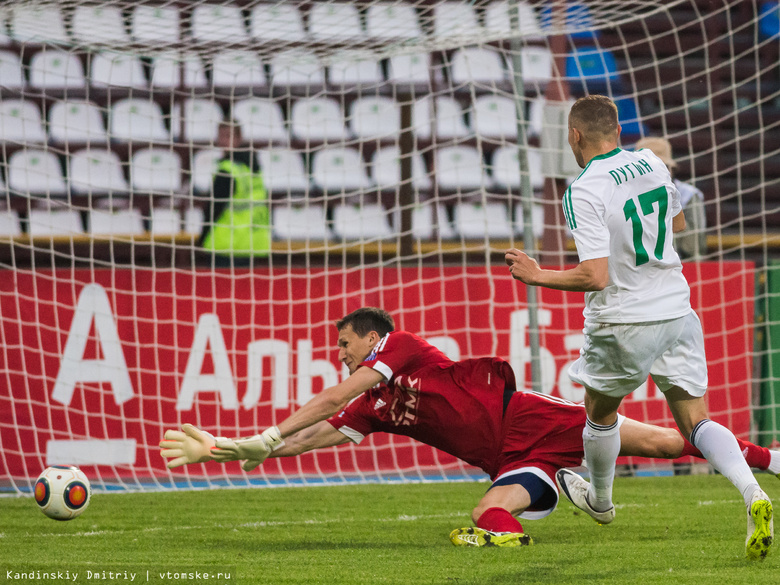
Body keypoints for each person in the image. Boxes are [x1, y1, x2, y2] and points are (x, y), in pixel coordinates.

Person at [159, 306, 780, 548]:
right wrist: (240, 449)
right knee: (488, 514)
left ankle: (771, 461)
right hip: (508, 460)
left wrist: (264, 437)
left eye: (345, 343)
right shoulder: (373, 409)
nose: (341, 353)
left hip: (527, 415)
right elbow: (320, 432)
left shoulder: (398, 347)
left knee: (668, 440)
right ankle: (524, 530)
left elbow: (334, 397)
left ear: (372, 339)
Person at [504, 95, 773, 560]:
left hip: (623, 320)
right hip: (676, 308)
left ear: (574, 135)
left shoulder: (583, 189)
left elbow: (595, 276)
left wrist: (537, 275)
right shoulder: (651, 162)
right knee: (696, 421)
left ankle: (601, 502)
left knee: (599, 412)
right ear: (619, 131)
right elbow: (680, 220)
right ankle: (754, 494)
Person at [200, 120, 271, 259]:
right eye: (221, 136)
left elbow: (214, 208)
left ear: (239, 138)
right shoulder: (254, 169)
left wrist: (202, 239)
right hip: (255, 244)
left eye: (228, 136)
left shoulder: (227, 171)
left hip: (227, 244)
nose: (223, 141)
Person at [634, 137, 706, 260]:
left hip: (682, 266)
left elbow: (695, 247)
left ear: (671, 169)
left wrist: (666, 206)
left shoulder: (688, 195)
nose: (654, 173)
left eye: (661, 167)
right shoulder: (626, 194)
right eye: (648, 168)